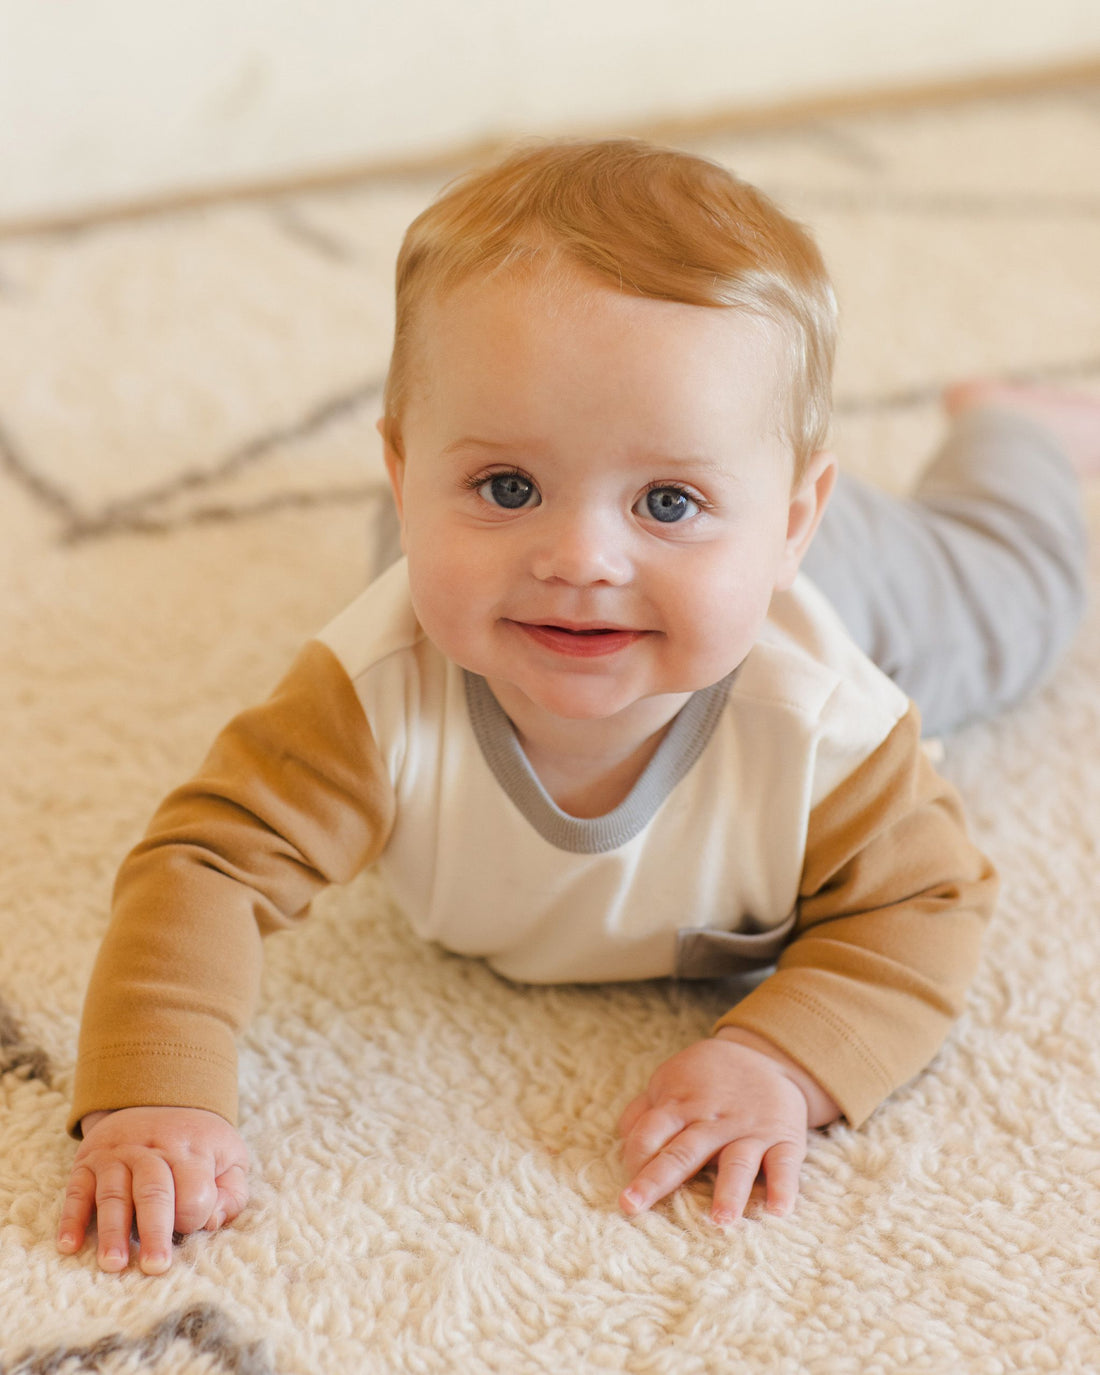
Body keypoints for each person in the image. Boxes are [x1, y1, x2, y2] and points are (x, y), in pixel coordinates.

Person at [56, 139, 1098, 1276]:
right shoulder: (371, 694)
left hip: (846, 581)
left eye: (664, 498)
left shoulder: (822, 718)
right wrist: (152, 1096)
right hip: (472, 571)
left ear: (791, 517)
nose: (582, 557)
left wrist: (785, 1060)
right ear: (402, 477)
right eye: (509, 484)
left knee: (1020, 606)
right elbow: (205, 863)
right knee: (441, 574)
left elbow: (925, 901)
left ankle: (1010, 428)